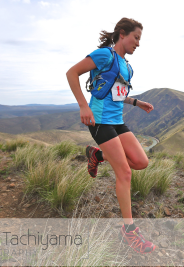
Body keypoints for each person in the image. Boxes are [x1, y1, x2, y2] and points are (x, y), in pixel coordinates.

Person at [66, 17, 156, 254]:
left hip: (118, 121)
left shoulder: (127, 66)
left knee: (140, 161)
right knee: (124, 172)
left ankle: (98, 155)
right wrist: (83, 106)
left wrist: (136, 102)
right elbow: (72, 73)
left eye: (139, 39)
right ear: (122, 34)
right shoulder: (104, 55)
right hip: (99, 121)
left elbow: (115, 93)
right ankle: (129, 232)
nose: (138, 43)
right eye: (136, 38)